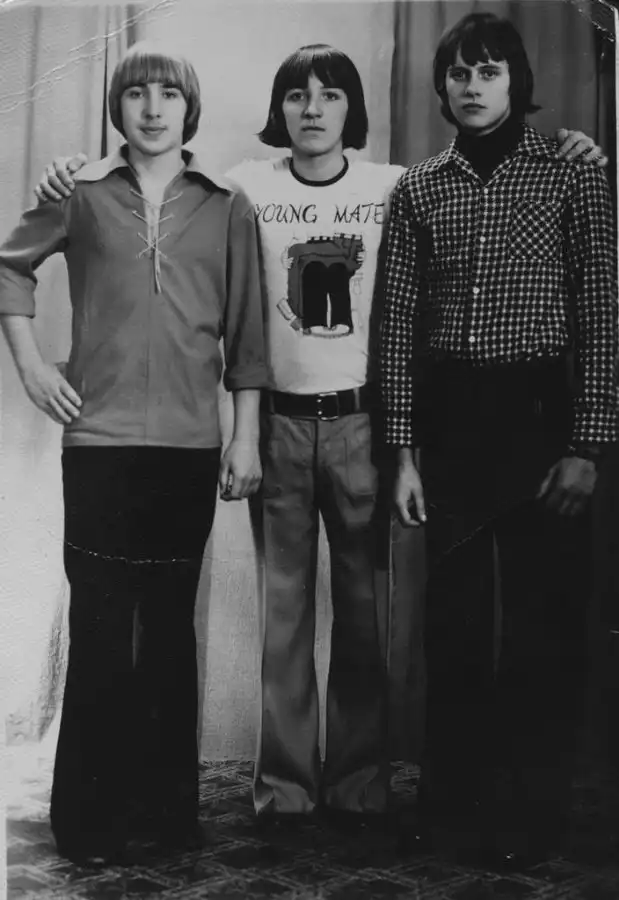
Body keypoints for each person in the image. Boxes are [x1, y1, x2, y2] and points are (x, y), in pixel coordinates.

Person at [34, 42, 606, 831]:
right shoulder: (241, 187)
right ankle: (286, 791)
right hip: (278, 423)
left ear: (350, 109)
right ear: (280, 109)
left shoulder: (395, 186)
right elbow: (158, 178)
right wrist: (67, 171)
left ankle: (360, 786)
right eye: (297, 95)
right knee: (284, 616)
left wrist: (578, 146)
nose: (312, 109)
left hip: (363, 424)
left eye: (330, 94)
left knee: (365, 615)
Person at [0, 41, 267, 867]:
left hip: (188, 449)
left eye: (169, 94)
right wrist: (33, 368)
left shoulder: (227, 204)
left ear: (190, 109)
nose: (153, 108)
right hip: (101, 446)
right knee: (102, 627)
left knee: (169, 631)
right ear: (116, 108)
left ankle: (166, 815)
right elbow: (9, 270)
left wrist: (245, 436)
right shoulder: (79, 194)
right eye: (137, 93)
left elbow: (247, 337)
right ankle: (89, 819)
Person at [381, 12, 617, 869]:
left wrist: (586, 444)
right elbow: (395, 325)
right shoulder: (418, 189)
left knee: (541, 627)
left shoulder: (570, 172)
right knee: (453, 625)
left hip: (539, 415)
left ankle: (530, 816)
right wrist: (404, 453)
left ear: (516, 82)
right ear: (441, 88)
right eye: (458, 73)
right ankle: (451, 813)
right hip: (451, 420)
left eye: (488, 72)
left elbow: (601, 308)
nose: (472, 86)